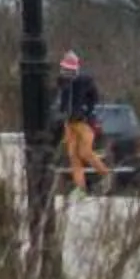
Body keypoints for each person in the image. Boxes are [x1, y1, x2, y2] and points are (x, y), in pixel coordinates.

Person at [56, 51, 107, 194]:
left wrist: (87, 111)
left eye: (69, 70)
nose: (67, 73)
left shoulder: (85, 82)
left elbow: (95, 99)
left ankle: (105, 174)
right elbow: (61, 102)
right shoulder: (62, 84)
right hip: (69, 123)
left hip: (83, 123)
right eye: (65, 70)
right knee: (74, 157)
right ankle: (80, 188)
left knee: (85, 152)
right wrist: (61, 114)